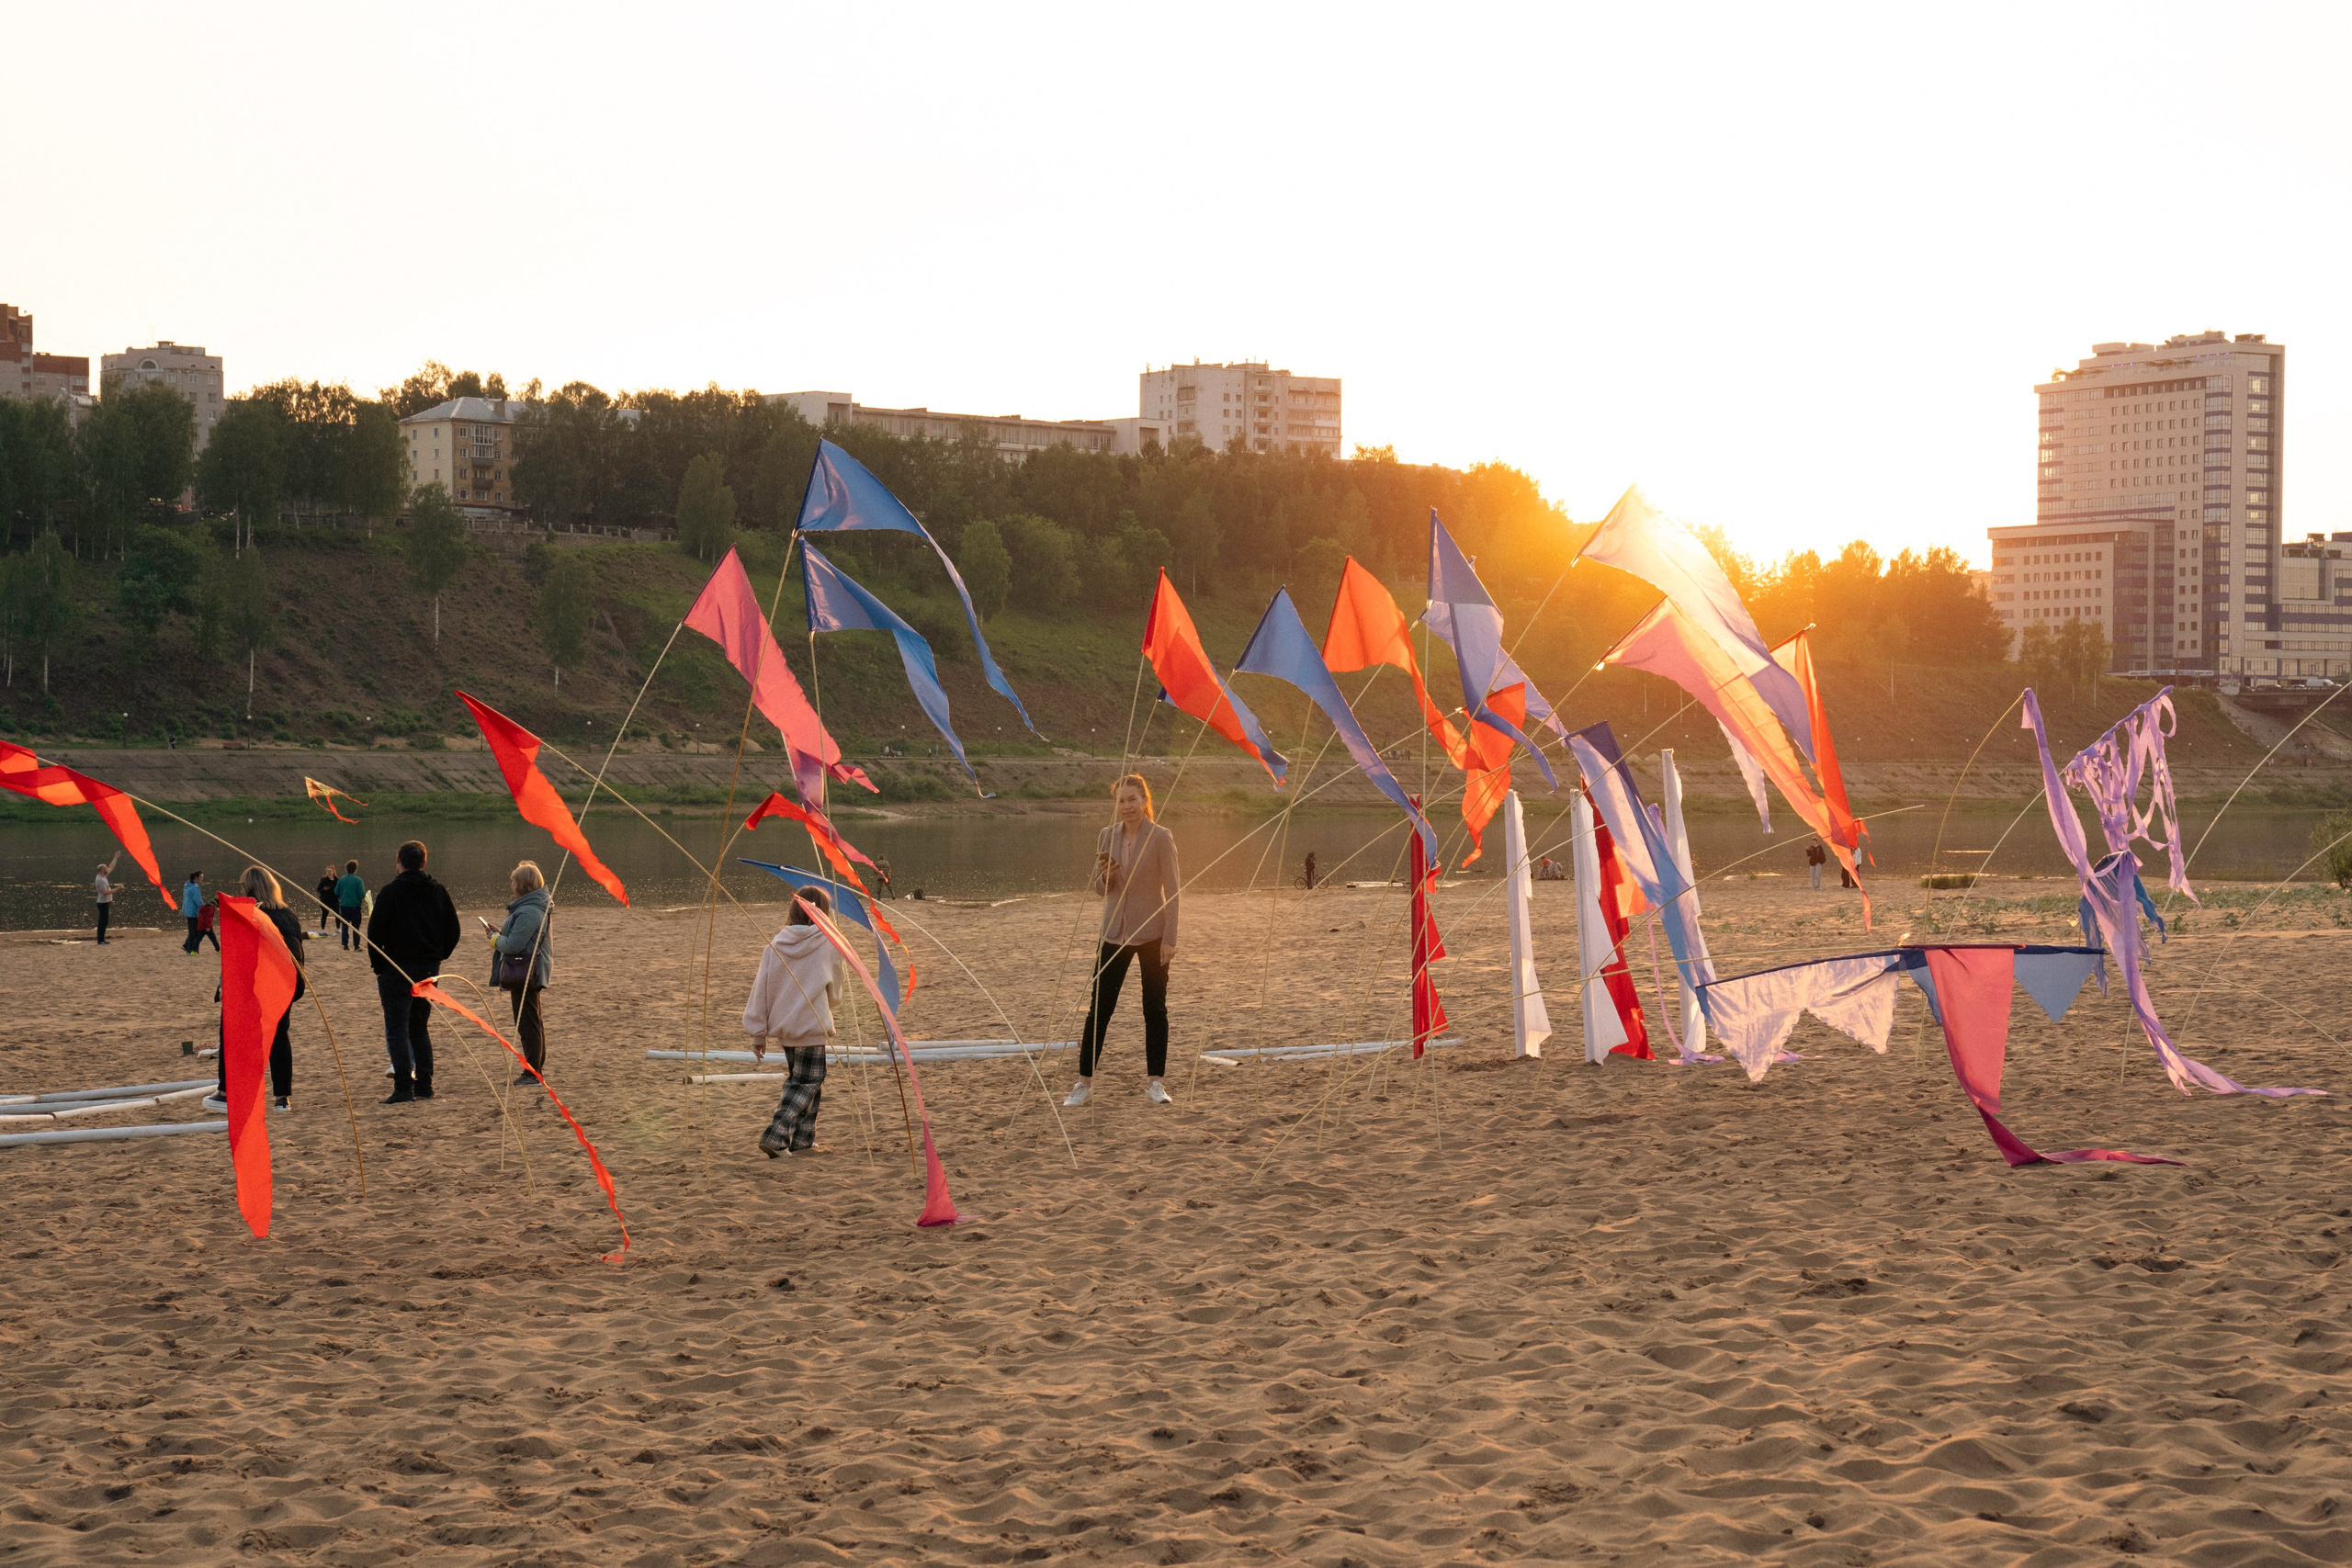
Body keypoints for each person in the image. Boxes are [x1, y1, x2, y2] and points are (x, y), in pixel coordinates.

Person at [1066, 773, 1180, 1108]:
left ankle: (1155, 1083)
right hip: (1114, 932)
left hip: (1152, 934)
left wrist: (1170, 938)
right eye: (1121, 801)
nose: (1127, 807)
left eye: (1133, 799)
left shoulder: (1161, 837)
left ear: (1145, 801)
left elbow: (1173, 892)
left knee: (1154, 1009)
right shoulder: (1106, 836)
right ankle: (1084, 1083)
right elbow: (1102, 890)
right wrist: (1106, 876)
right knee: (1099, 1010)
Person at [742, 886, 846, 1157]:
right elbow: (835, 987)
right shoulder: (828, 943)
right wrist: (832, 1000)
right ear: (823, 912)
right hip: (811, 1024)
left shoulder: (776, 944)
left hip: (786, 1026)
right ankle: (776, 1135)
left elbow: (761, 990)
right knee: (807, 1081)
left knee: (806, 1080)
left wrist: (759, 1033)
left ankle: (802, 1140)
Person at [206, 867, 307, 1112]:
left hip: (258, 985)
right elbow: (298, 954)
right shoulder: (288, 914)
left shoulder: (252, 915)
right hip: (285, 984)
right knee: (279, 1037)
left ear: (250, 889)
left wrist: (225, 986)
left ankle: (226, 1092)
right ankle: (283, 1098)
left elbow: (237, 955)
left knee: (232, 1033)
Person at [367, 840, 460, 1104]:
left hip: (399, 968)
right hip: (424, 967)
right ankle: (424, 1086)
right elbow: (453, 930)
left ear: (399, 861)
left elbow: (374, 935)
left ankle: (405, 1088)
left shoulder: (392, 892)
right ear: (423, 862)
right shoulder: (437, 891)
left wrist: (379, 967)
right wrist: (436, 956)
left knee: (399, 1027)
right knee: (418, 1026)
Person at [489, 860, 554, 1083]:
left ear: (524, 884)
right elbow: (519, 939)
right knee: (530, 1020)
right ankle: (534, 1071)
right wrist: (499, 934)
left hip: (526, 972)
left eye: (514, 880)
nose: (512, 884)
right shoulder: (531, 907)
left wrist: (494, 939)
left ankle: (533, 1073)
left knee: (528, 1023)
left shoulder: (529, 910)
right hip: (527, 970)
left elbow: (514, 944)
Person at [334, 859, 366, 953]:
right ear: (355, 869)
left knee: (345, 925)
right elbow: (361, 894)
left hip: (344, 906)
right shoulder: (358, 880)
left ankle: (345, 944)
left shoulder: (341, 879)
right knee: (356, 927)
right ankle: (356, 945)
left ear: (346, 869)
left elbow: (336, 892)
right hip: (355, 906)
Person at [93, 853, 119, 944]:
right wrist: (116, 889)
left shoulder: (103, 876)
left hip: (105, 902)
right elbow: (105, 892)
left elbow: (111, 867)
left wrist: (115, 857)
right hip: (102, 903)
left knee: (105, 921)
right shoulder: (100, 880)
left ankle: (101, 939)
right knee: (102, 922)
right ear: (101, 870)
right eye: (105, 868)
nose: (107, 869)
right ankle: (100, 940)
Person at [180, 871, 207, 953]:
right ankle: (189, 948)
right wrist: (203, 909)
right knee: (193, 931)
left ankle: (186, 945)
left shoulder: (187, 885)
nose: (202, 879)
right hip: (193, 911)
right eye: (201, 878)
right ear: (196, 878)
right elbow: (197, 900)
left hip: (187, 910)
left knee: (193, 929)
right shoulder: (195, 887)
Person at [314, 865, 340, 932]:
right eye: (328, 871)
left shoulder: (337, 880)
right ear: (326, 872)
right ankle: (323, 929)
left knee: (337, 914)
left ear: (333, 871)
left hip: (335, 900)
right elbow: (318, 889)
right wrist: (324, 889)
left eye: (330, 871)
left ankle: (338, 928)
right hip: (326, 900)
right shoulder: (323, 880)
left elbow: (339, 889)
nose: (329, 872)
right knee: (324, 915)